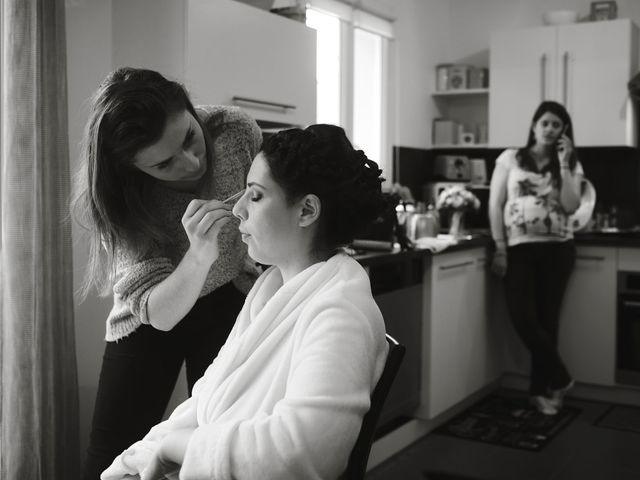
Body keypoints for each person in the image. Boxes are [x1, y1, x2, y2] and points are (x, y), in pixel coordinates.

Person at [100, 124, 389, 480]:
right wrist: (130, 464)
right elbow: (205, 401)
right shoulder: (268, 291)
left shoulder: (340, 313)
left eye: (255, 195)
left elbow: (302, 457)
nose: (236, 209)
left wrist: (178, 447)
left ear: (306, 210)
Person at [73, 67, 263, 479]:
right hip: (149, 314)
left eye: (190, 138)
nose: (191, 162)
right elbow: (160, 316)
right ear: (134, 170)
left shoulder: (235, 130)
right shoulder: (121, 198)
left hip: (229, 295)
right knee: (112, 458)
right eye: (163, 164)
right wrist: (199, 255)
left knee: (216, 448)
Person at [488, 100, 583, 415]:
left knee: (547, 321)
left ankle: (540, 392)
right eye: (546, 123)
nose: (550, 129)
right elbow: (494, 204)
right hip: (518, 248)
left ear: (563, 132)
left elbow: (571, 205)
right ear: (534, 125)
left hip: (558, 249)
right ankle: (560, 377)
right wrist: (500, 247)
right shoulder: (510, 158)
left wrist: (566, 162)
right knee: (524, 318)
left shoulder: (569, 163)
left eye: (557, 125)